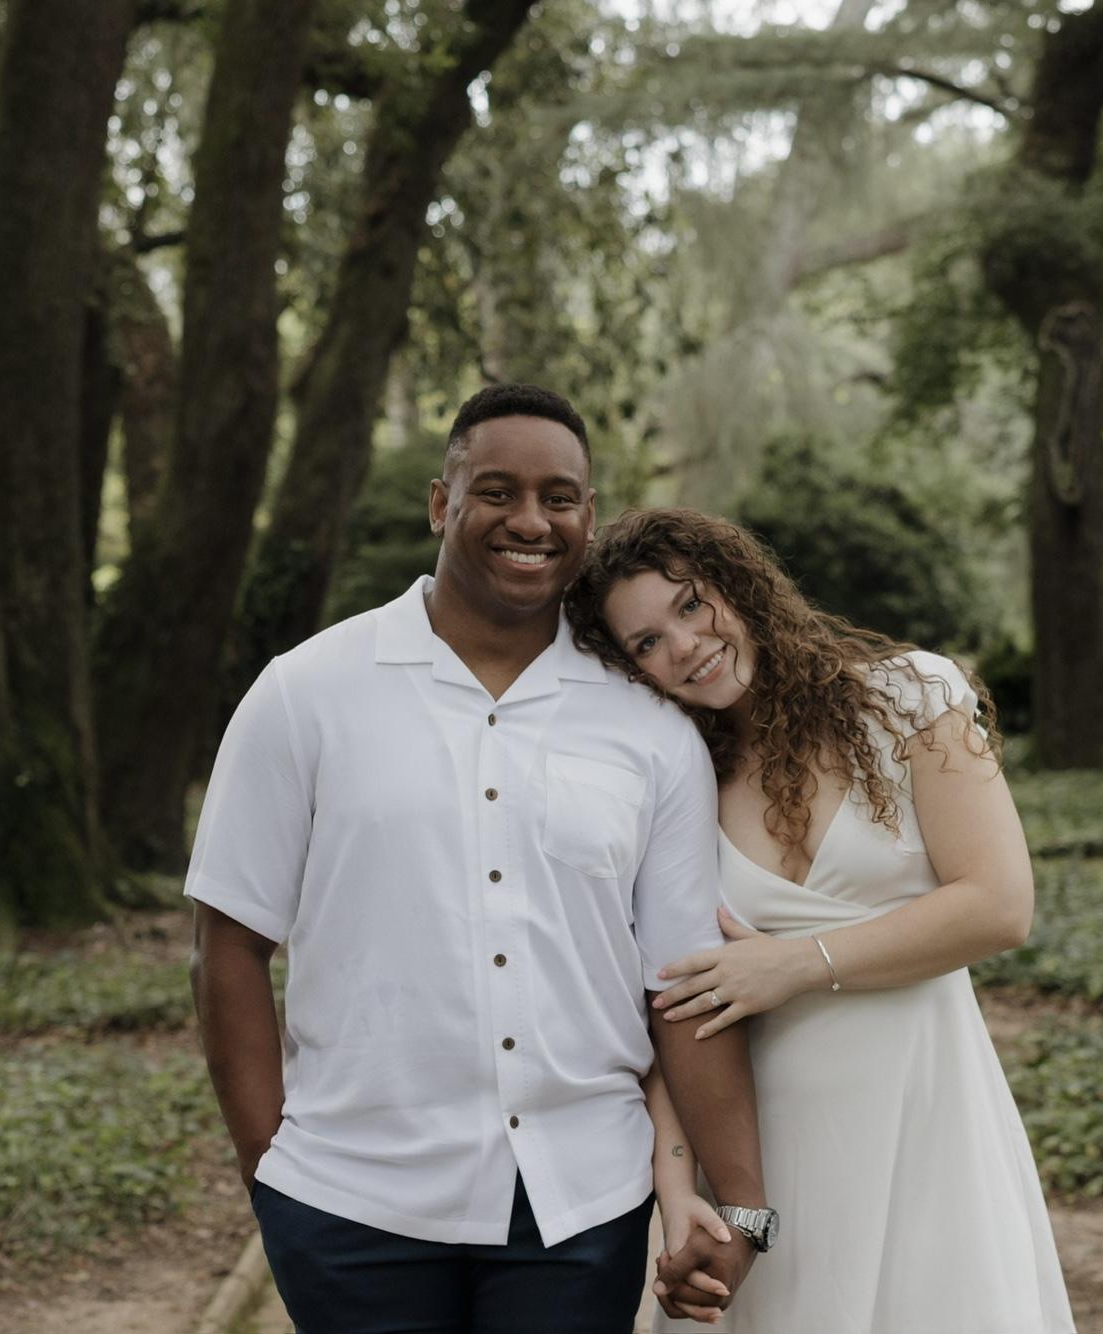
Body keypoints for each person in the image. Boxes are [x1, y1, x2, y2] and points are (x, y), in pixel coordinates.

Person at [185, 388, 772, 1334]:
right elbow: (228, 944)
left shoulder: (651, 728)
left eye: (559, 497)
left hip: (581, 1204)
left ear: (588, 515)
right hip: (349, 1204)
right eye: (497, 491)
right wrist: (273, 1179)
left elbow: (684, 986)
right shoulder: (305, 693)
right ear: (441, 503)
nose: (531, 521)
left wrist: (740, 1204)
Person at [564, 508, 1078, 1334]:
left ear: (740, 586)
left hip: (928, 1122)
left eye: (691, 605)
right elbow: (671, 1004)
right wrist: (681, 1185)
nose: (685, 645)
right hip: (773, 1150)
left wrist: (795, 963)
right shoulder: (676, 778)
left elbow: (998, 905)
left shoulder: (909, 700)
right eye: (647, 642)